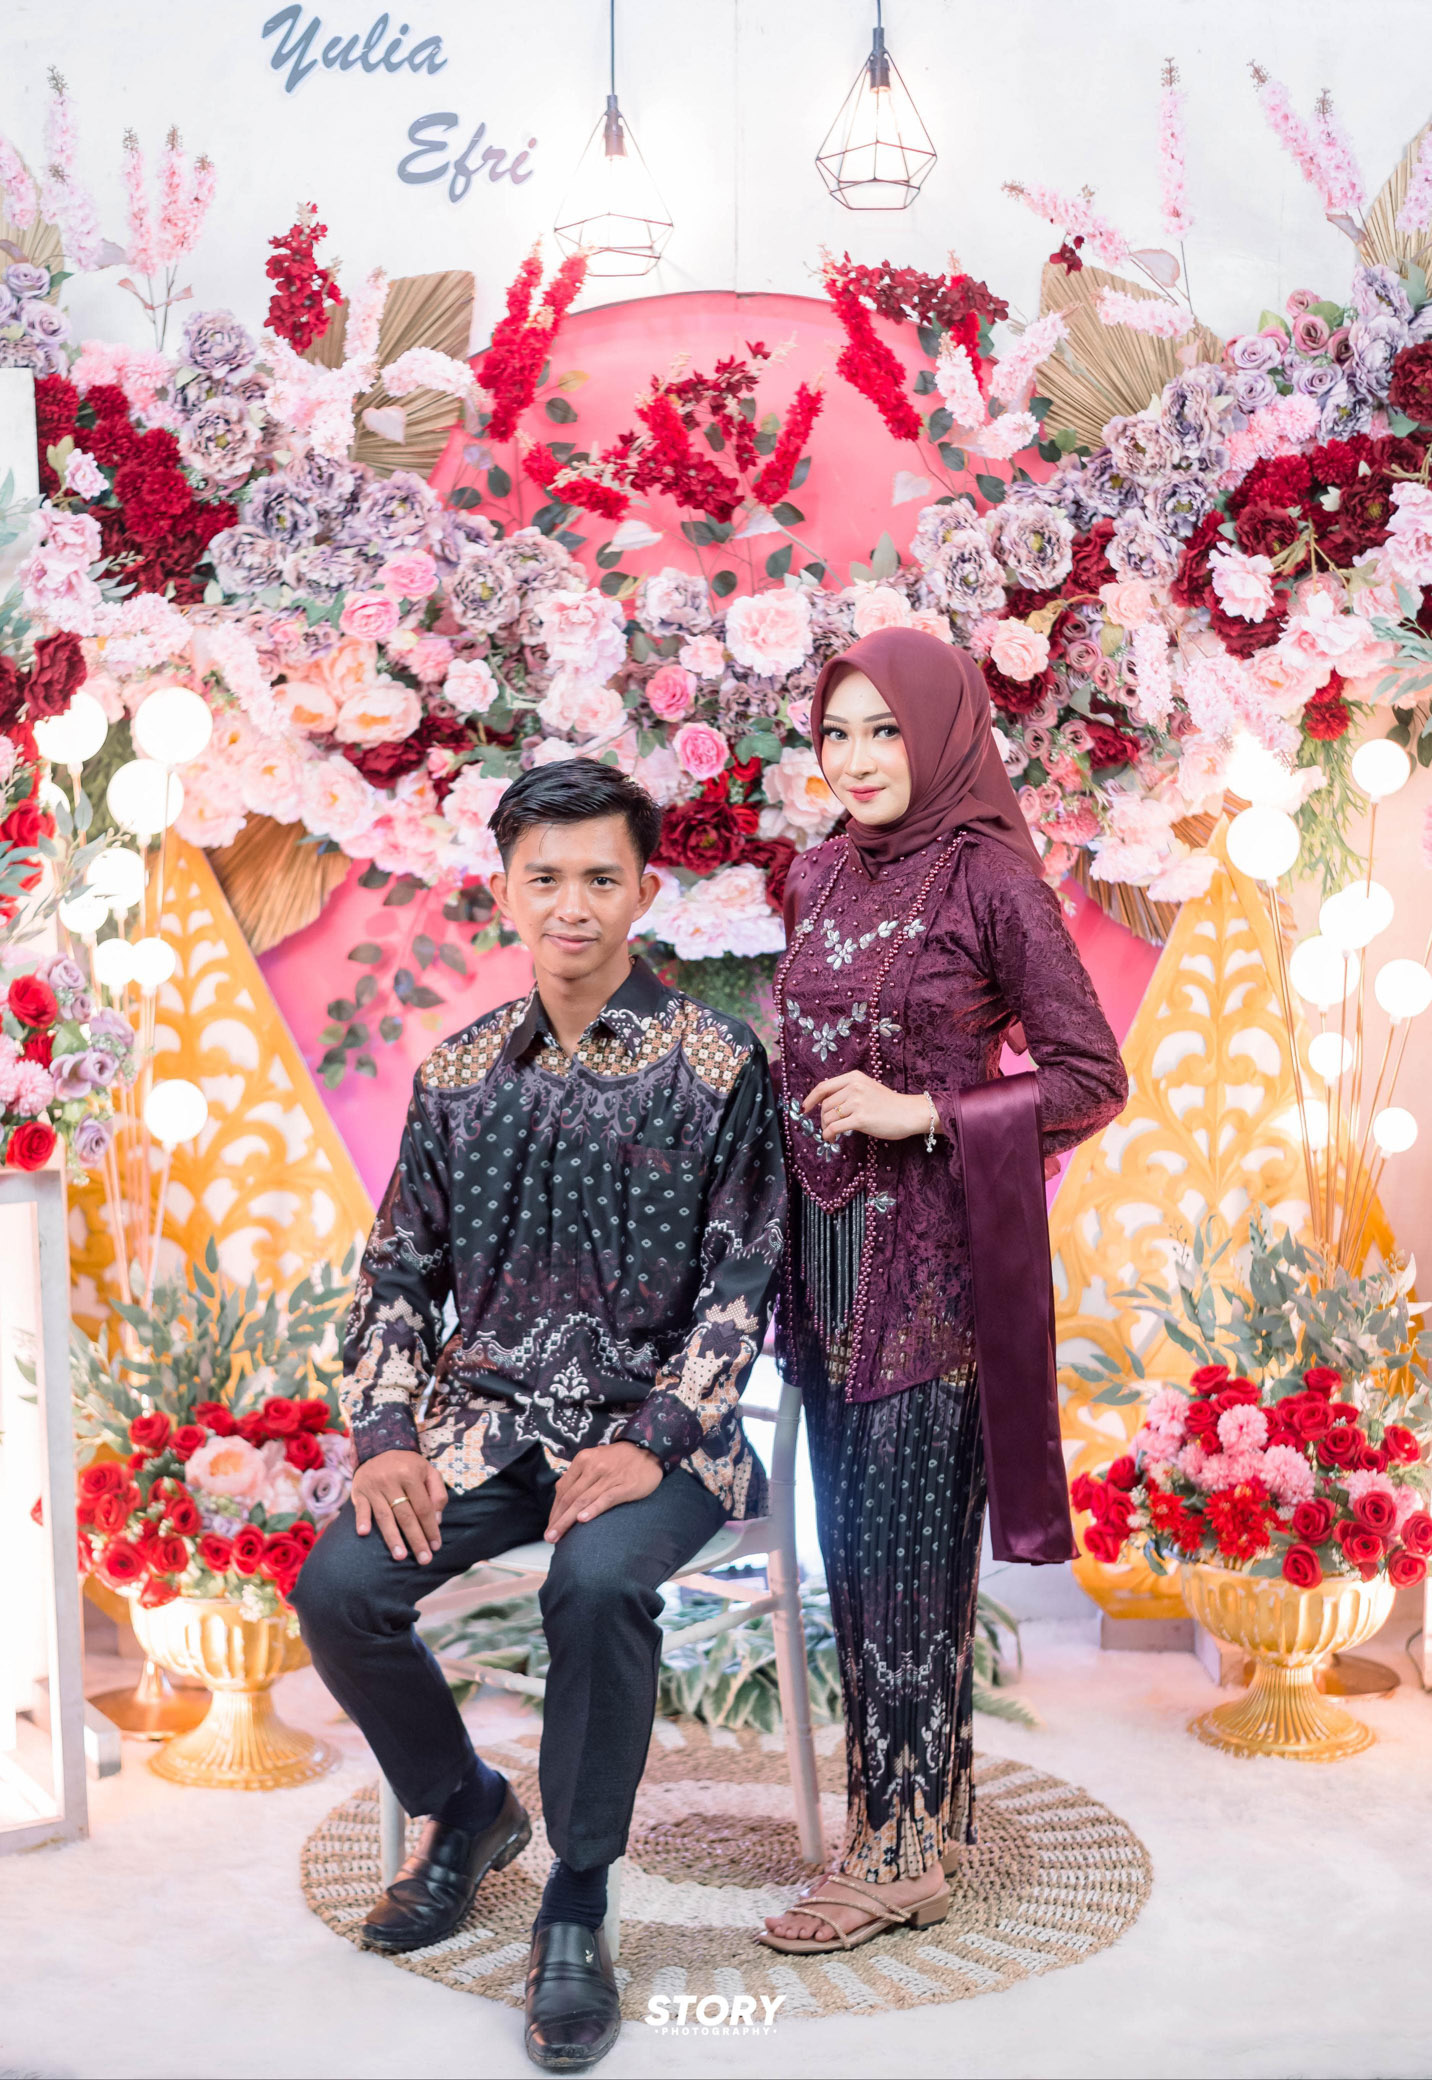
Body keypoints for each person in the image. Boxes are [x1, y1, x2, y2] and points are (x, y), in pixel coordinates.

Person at [292, 761, 785, 2074]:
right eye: (546, 878)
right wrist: (387, 1436)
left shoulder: (719, 1065)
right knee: (338, 1587)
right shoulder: (458, 1074)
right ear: (505, 892)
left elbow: (746, 1283)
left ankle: (575, 1894)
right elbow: (397, 1274)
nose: (574, 905)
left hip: (663, 1438)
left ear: (646, 892)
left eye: (601, 878)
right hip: (488, 1429)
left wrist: (654, 1440)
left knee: (598, 1581)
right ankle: (464, 1809)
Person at [759, 627, 1128, 1955]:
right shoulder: (815, 873)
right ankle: (921, 1812)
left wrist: (925, 1111)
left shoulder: (993, 881)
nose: (856, 758)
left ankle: (901, 1855)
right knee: (855, 1563)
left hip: (930, 1282)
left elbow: (1092, 1076)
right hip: (822, 1272)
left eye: (885, 730)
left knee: (907, 1565)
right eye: (836, 731)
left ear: (943, 733)